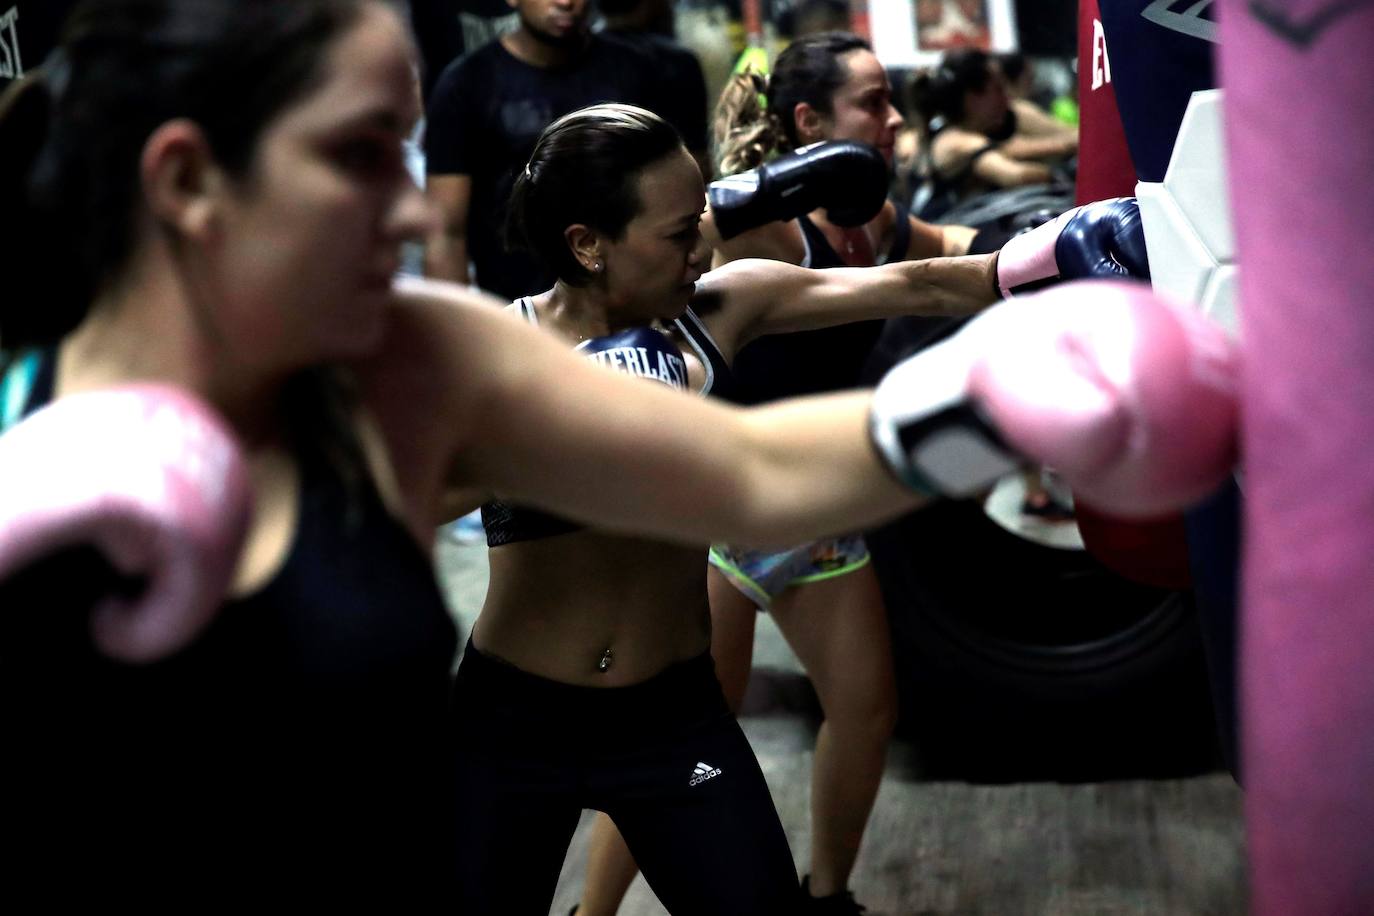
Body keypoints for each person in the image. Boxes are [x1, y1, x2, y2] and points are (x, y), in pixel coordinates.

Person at [0, 1, 1237, 908]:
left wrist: (989, 404)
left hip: (665, 711)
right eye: (362, 155)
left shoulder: (436, 353)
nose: (414, 212)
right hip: (510, 725)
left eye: (409, 156)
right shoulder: (51, 451)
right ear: (188, 181)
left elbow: (746, 475)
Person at [475, 102, 1174, 916]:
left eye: (703, 216)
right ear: (587, 244)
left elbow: (912, 283)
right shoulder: (497, 357)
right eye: (676, 234)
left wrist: (1058, 250)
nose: (701, 246)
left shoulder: (720, 306)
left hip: (671, 720)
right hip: (515, 725)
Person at [422, 0, 706, 297]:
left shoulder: (641, 72)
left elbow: (688, 198)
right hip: (515, 306)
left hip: (634, 301)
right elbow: (445, 232)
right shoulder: (467, 84)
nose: (565, 2)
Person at [910, 48, 1078, 213]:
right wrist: (1054, 174)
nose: (1007, 98)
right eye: (998, 89)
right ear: (971, 97)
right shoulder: (955, 141)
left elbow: (1064, 133)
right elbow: (1016, 176)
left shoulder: (987, 127)